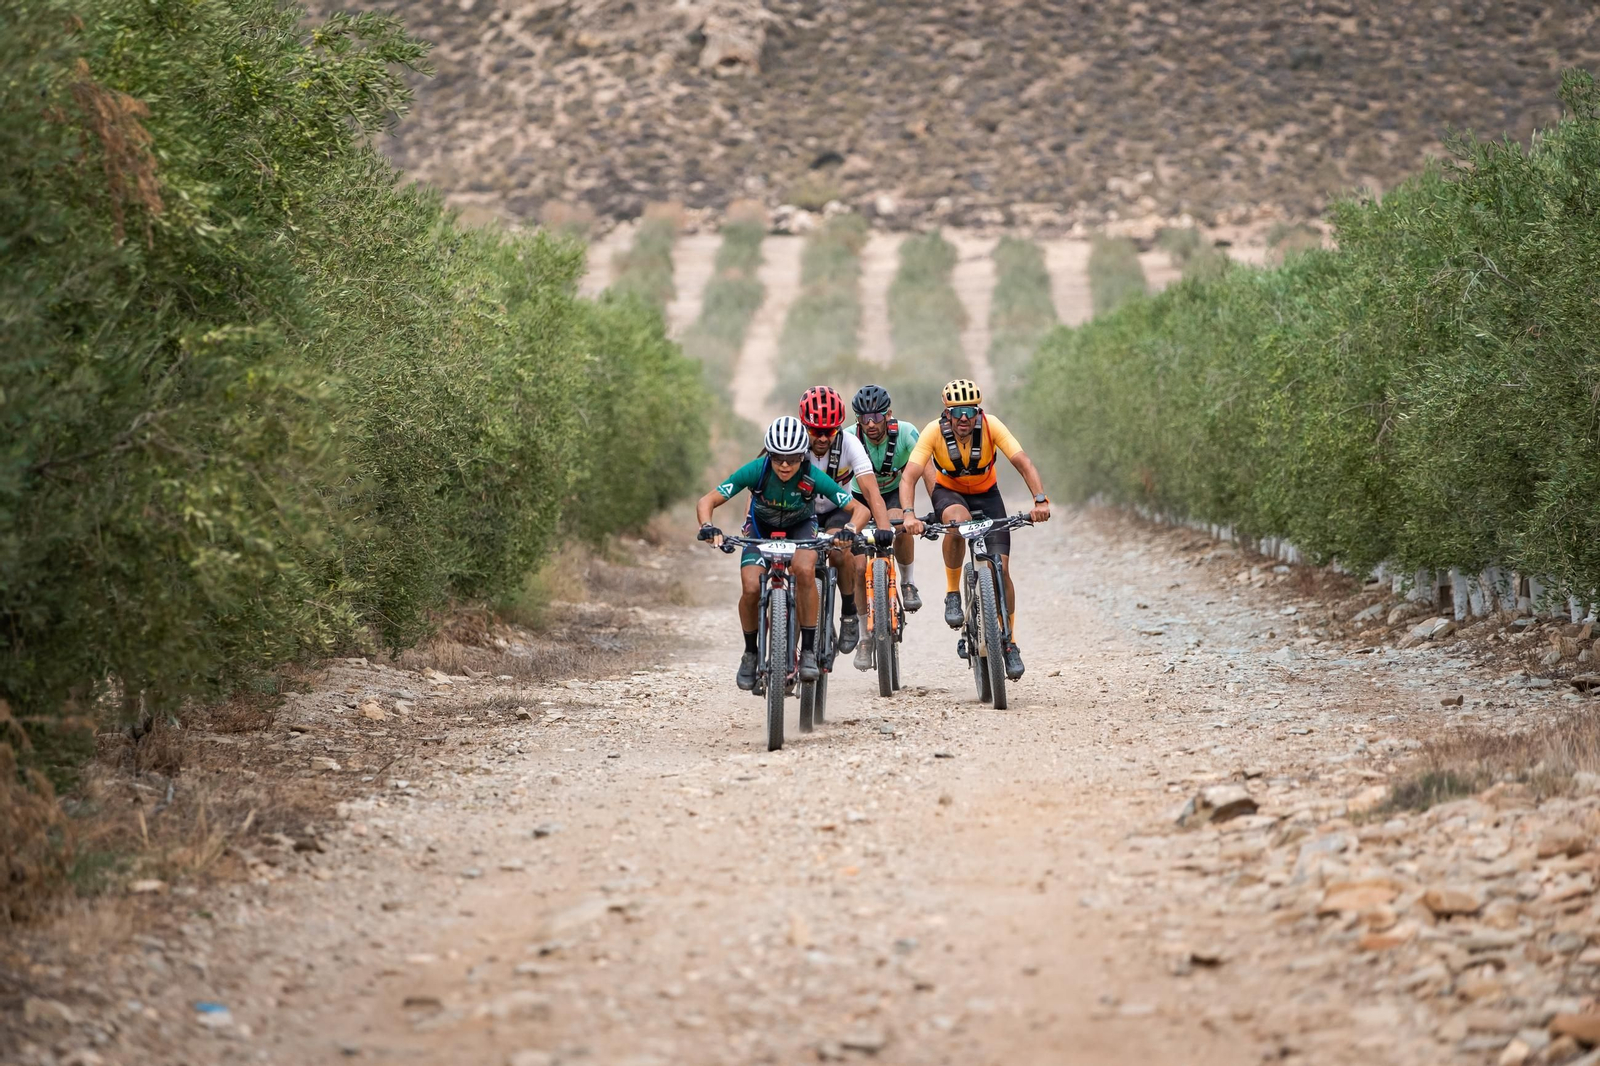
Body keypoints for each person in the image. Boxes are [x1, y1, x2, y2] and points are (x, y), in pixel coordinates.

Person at [695, 415, 869, 690]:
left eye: (792, 459)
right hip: (760, 529)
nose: (785, 465)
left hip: (801, 528)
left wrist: (849, 529)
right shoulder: (755, 470)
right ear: (769, 455)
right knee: (751, 587)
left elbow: (860, 510)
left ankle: (809, 650)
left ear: (803, 455)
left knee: (803, 571)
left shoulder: (814, 475)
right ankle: (751, 653)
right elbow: (708, 500)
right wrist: (708, 526)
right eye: (777, 458)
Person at [900, 379, 1051, 680]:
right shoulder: (933, 432)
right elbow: (909, 477)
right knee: (956, 521)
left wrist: (1040, 500)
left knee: (1002, 571)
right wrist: (908, 515)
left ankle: (1010, 643)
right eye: (958, 413)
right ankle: (953, 592)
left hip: (988, 493)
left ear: (978, 411)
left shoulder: (992, 425)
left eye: (970, 411)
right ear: (947, 415)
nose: (964, 418)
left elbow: (1023, 462)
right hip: (950, 493)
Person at [796, 386, 894, 659]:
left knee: (840, 552)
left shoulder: (850, 443)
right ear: (805, 426)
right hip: (802, 512)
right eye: (817, 431)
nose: (824, 438)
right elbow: (759, 483)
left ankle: (849, 612)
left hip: (838, 509)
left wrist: (884, 527)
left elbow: (872, 492)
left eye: (831, 431)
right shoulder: (793, 441)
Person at [844, 384, 924, 669]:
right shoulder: (849, 438)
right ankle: (866, 636)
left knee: (899, 523)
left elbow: (925, 468)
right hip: (859, 497)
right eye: (863, 418)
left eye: (876, 417)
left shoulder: (906, 432)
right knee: (856, 564)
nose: (870, 424)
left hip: (892, 493)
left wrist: (935, 505)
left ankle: (907, 581)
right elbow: (834, 478)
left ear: (888, 415)